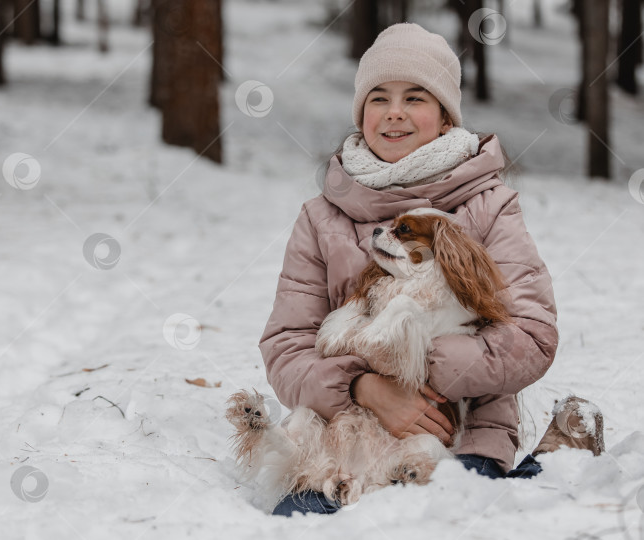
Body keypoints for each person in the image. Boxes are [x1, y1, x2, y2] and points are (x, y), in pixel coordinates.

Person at [258, 23, 604, 517]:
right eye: (379, 98)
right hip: (345, 446)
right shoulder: (320, 218)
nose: (394, 112)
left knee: (457, 520)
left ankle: (555, 460)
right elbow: (286, 346)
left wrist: (415, 367)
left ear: (444, 118)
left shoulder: (488, 207)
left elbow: (532, 338)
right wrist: (364, 387)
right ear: (361, 113)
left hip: (459, 432)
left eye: (415, 97)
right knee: (300, 521)